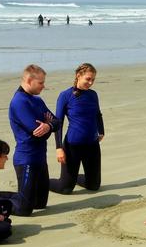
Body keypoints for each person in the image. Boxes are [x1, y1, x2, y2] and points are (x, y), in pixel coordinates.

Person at [9, 64, 60, 216]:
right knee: (24, 210)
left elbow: (57, 122)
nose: (44, 86)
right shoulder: (19, 102)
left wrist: (48, 126)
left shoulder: (37, 101)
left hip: (40, 159)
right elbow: (37, 133)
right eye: (41, 82)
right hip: (26, 160)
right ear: (30, 80)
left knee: (40, 204)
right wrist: (48, 126)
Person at [49, 63, 104, 194]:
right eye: (88, 79)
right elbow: (58, 122)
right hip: (72, 146)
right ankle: (42, 180)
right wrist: (58, 148)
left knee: (94, 186)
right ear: (78, 76)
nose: (90, 83)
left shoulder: (93, 95)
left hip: (92, 145)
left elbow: (97, 114)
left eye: (93, 80)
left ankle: (73, 177)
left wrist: (101, 131)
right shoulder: (65, 96)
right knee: (66, 189)